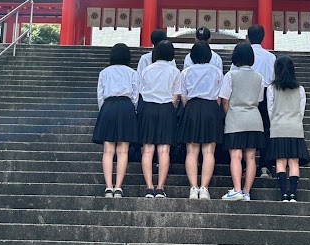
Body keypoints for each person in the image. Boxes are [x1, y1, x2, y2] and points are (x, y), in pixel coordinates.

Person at [92, 43, 139, 198]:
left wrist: (104, 111)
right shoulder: (132, 72)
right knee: (123, 150)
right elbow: (135, 95)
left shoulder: (104, 72)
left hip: (108, 106)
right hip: (126, 107)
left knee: (108, 150)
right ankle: (118, 187)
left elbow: (100, 94)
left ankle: (108, 187)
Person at [219, 43, 265, 201]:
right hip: (254, 119)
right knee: (251, 157)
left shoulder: (231, 75)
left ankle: (237, 189)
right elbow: (259, 99)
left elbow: (224, 99)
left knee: (236, 155)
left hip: (235, 118)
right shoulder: (259, 77)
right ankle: (246, 191)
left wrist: (229, 113)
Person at [178, 41, 223, 199]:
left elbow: (183, 97)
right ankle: (204, 188)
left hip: (192, 107)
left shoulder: (186, 72)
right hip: (211, 108)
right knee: (209, 151)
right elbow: (219, 96)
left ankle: (193, 187)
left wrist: (190, 108)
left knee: (191, 151)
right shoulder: (217, 72)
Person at [138, 40, 181, 198]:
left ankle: (149, 187)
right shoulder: (175, 71)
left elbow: (140, 91)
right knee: (164, 150)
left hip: (148, 108)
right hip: (166, 108)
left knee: (148, 150)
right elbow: (176, 96)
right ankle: (160, 188)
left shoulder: (146, 70)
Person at [267, 55, 310, 202]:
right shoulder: (300, 89)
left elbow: (270, 110)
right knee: (294, 162)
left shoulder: (271, 88)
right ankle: (293, 193)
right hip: (295, 128)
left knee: (280, 162)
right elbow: (301, 110)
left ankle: (283, 194)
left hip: (278, 128)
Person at [247, 24, 276, 178]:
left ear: (247, 37)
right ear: (263, 37)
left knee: (247, 129)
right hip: (265, 94)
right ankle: (264, 165)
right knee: (265, 129)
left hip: (247, 93)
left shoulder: (243, 53)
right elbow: (272, 79)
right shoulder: (270, 57)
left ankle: (246, 164)